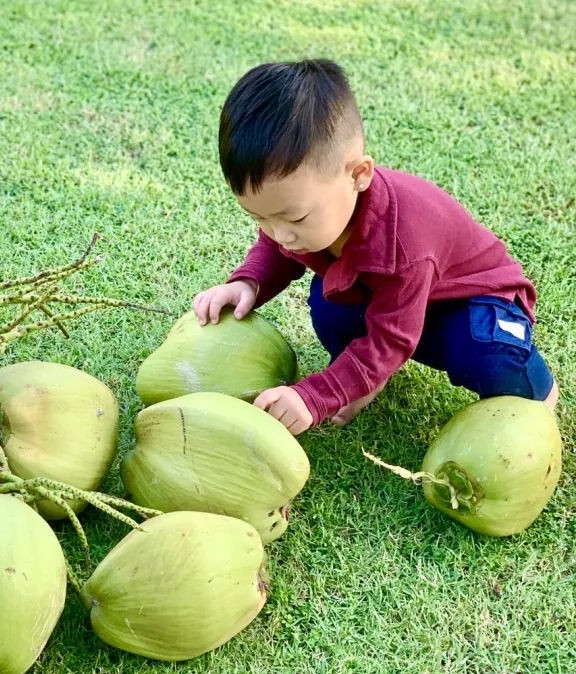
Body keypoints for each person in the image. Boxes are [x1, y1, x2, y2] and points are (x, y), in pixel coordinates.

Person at [192, 59, 558, 435]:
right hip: (396, 299)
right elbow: (274, 248)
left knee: (487, 354)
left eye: (295, 219)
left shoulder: (405, 244)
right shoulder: (307, 215)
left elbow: (390, 339)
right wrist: (247, 282)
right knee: (330, 304)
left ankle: (537, 392)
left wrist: (316, 396)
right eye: (260, 217)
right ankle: (364, 376)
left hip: (473, 303)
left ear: (358, 175)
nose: (279, 233)